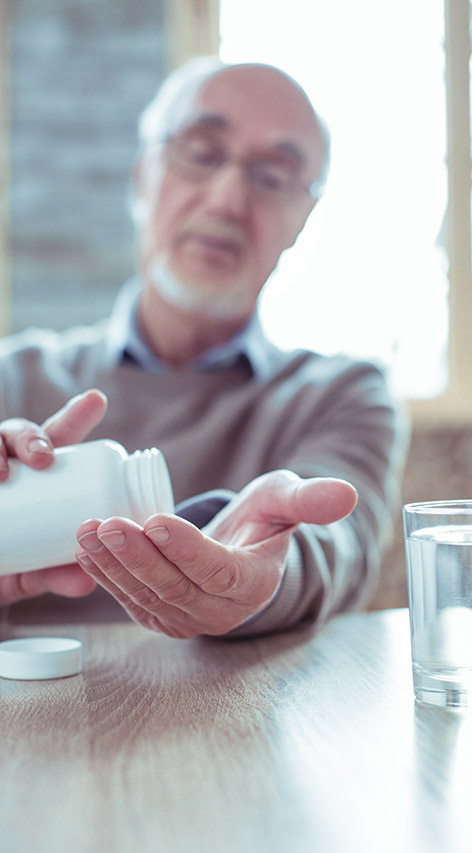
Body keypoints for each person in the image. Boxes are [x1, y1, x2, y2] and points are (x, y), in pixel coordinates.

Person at [0, 58, 408, 637]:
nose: (226, 199)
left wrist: (265, 576)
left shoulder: (340, 393)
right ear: (142, 173)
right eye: (201, 151)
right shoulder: (14, 379)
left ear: (302, 220)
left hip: (243, 719)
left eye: (272, 177)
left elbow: (338, 546)